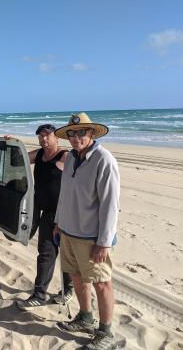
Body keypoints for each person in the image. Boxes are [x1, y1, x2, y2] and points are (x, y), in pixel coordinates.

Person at [53, 113, 122, 349]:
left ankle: (106, 333)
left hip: (92, 237)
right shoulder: (71, 158)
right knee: (76, 277)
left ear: (91, 133)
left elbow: (110, 204)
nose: (75, 137)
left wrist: (104, 242)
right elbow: (65, 194)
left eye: (81, 132)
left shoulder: (104, 159)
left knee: (101, 283)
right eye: (71, 133)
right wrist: (58, 222)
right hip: (68, 231)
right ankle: (85, 317)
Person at [15, 124, 73, 309]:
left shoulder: (66, 157)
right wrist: (9, 143)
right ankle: (39, 295)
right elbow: (19, 158)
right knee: (45, 254)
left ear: (58, 138)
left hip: (64, 215)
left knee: (67, 256)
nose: (44, 139)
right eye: (41, 136)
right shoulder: (39, 155)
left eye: (47, 135)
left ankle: (68, 290)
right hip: (45, 213)